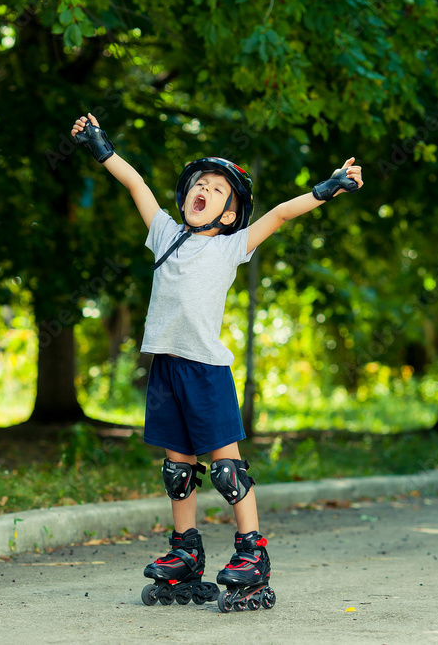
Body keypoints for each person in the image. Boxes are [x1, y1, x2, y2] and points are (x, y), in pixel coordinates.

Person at [71, 113, 363, 612]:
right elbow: (137, 184)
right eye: (198, 184)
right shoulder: (165, 234)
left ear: (229, 214)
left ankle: (252, 555)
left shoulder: (230, 248)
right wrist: (101, 148)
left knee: (226, 470)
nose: (202, 190)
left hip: (205, 371)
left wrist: (327, 188)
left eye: (216, 189)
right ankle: (186, 552)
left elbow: (278, 215)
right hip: (165, 368)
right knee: (177, 471)